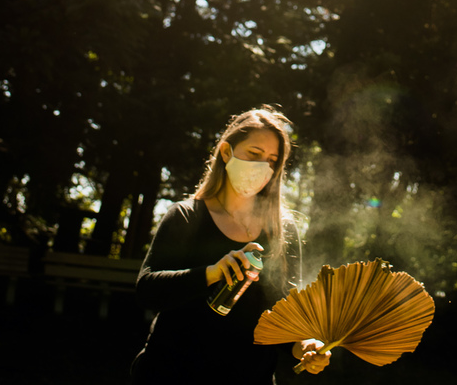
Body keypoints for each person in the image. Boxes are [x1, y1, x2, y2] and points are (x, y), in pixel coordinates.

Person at [132, 106, 330, 382]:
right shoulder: (187, 216)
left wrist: (305, 346)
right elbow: (147, 291)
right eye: (254, 154)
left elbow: (283, 315)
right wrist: (211, 273)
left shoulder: (283, 231)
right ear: (226, 152)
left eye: (272, 160)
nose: (264, 167)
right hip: (172, 373)